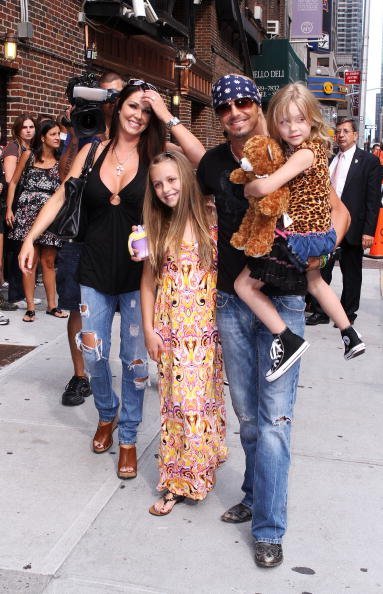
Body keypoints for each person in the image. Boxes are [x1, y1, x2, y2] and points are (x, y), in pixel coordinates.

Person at [196, 73, 350, 568]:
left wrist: (318, 256)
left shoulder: (289, 153)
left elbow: (339, 212)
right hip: (230, 301)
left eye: (244, 101)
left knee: (275, 422)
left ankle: (269, 527)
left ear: (258, 105)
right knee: (247, 419)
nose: (235, 111)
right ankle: (253, 492)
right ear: (218, 117)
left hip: (281, 301)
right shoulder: (217, 162)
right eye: (225, 106)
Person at [19, 80, 205, 479]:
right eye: (132, 107)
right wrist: (31, 237)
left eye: (145, 110)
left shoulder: (159, 154)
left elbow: (202, 162)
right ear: (117, 108)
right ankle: (107, 413)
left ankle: (129, 437)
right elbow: (59, 198)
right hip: (94, 269)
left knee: (135, 362)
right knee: (93, 354)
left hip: (141, 277)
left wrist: (168, 115)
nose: (138, 115)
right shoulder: (92, 151)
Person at [233, 83, 365, 382]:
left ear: (312, 120)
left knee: (244, 286)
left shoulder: (304, 155)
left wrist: (249, 188)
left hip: (297, 238)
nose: (292, 128)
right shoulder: (316, 150)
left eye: (300, 119)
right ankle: (349, 334)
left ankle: (286, 339)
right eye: (284, 121)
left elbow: (266, 187)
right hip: (316, 235)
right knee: (316, 283)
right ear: (275, 123)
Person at [140, 151, 227, 515]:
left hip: (207, 334)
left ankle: (201, 468)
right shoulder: (156, 228)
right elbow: (147, 284)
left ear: (187, 179)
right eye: (158, 184)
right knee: (177, 408)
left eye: (172, 180)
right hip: (172, 334)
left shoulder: (213, 219)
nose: (165, 189)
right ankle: (178, 482)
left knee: (203, 406)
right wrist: (148, 330)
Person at [56, 72, 126, 407]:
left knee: (137, 309)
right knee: (77, 307)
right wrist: (76, 130)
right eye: (107, 95)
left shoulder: (134, 129)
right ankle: (81, 375)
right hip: (81, 234)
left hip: (123, 234)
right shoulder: (84, 126)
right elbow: (64, 179)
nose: (112, 102)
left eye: (118, 95)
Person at [306, 117, 381, 326]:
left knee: (351, 273)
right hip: (326, 226)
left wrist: (369, 231)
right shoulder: (330, 159)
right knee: (322, 270)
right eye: (338, 132)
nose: (341, 135)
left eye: (345, 131)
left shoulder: (369, 162)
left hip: (353, 227)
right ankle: (321, 311)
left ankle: (347, 313)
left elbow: (373, 200)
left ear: (355, 135)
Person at [6, 119, 67, 322]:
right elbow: (14, 181)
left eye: (59, 134)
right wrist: (9, 208)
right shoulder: (28, 155)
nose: (58, 137)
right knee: (29, 261)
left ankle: (52, 305)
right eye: (53, 134)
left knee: (48, 261)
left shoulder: (62, 160)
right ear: (43, 137)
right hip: (26, 212)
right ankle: (30, 307)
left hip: (50, 215)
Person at [1, 114, 39, 310]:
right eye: (24, 127)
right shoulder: (13, 148)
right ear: (17, 129)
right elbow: (10, 180)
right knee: (15, 248)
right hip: (13, 202)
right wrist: (11, 208)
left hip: (25, 202)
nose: (28, 130)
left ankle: (25, 292)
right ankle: (16, 295)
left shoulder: (30, 149)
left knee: (25, 246)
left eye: (31, 126)